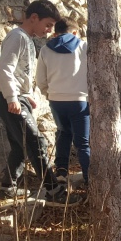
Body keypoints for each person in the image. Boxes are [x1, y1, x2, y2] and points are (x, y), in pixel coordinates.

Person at [0, 0, 72, 203]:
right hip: (9, 97)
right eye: (47, 25)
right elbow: (5, 68)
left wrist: (26, 96)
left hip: (17, 96)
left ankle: (7, 187)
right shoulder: (17, 37)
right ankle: (53, 190)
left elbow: (20, 72)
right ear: (33, 18)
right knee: (35, 142)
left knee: (20, 145)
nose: (47, 30)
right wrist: (12, 98)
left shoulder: (26, 38)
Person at [36, 18, 90, 198]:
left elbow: (40, 79)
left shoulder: (45, 49)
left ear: (56, 32)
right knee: (82, 143)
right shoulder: (84, 47)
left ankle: (61, 172)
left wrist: (49, 94)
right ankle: (90, 179)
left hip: (56, 100)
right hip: (80, 100)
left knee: (63, 133)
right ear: (74, 32)